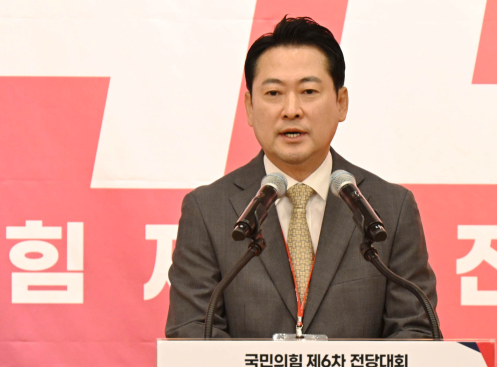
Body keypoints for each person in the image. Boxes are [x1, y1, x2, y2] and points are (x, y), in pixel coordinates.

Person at [165, 16, 437, 339]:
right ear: (250, 107)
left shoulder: (391, 208)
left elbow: (416, 333)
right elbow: (193, 333)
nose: (291, 110)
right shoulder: (208, 211)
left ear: (341, 103)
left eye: (308, 91)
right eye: (274, 93)